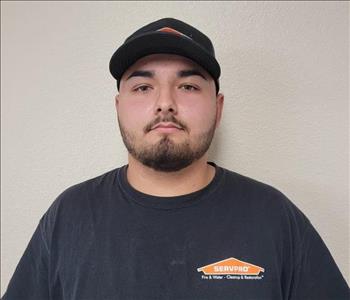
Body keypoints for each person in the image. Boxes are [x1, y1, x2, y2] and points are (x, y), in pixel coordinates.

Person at [2, 18, 349, 300]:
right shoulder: (69, 216)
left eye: (188, 87)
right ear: (119, 106)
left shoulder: (274, 217)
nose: (165, 102)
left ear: (218, 107)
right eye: (142, 87)